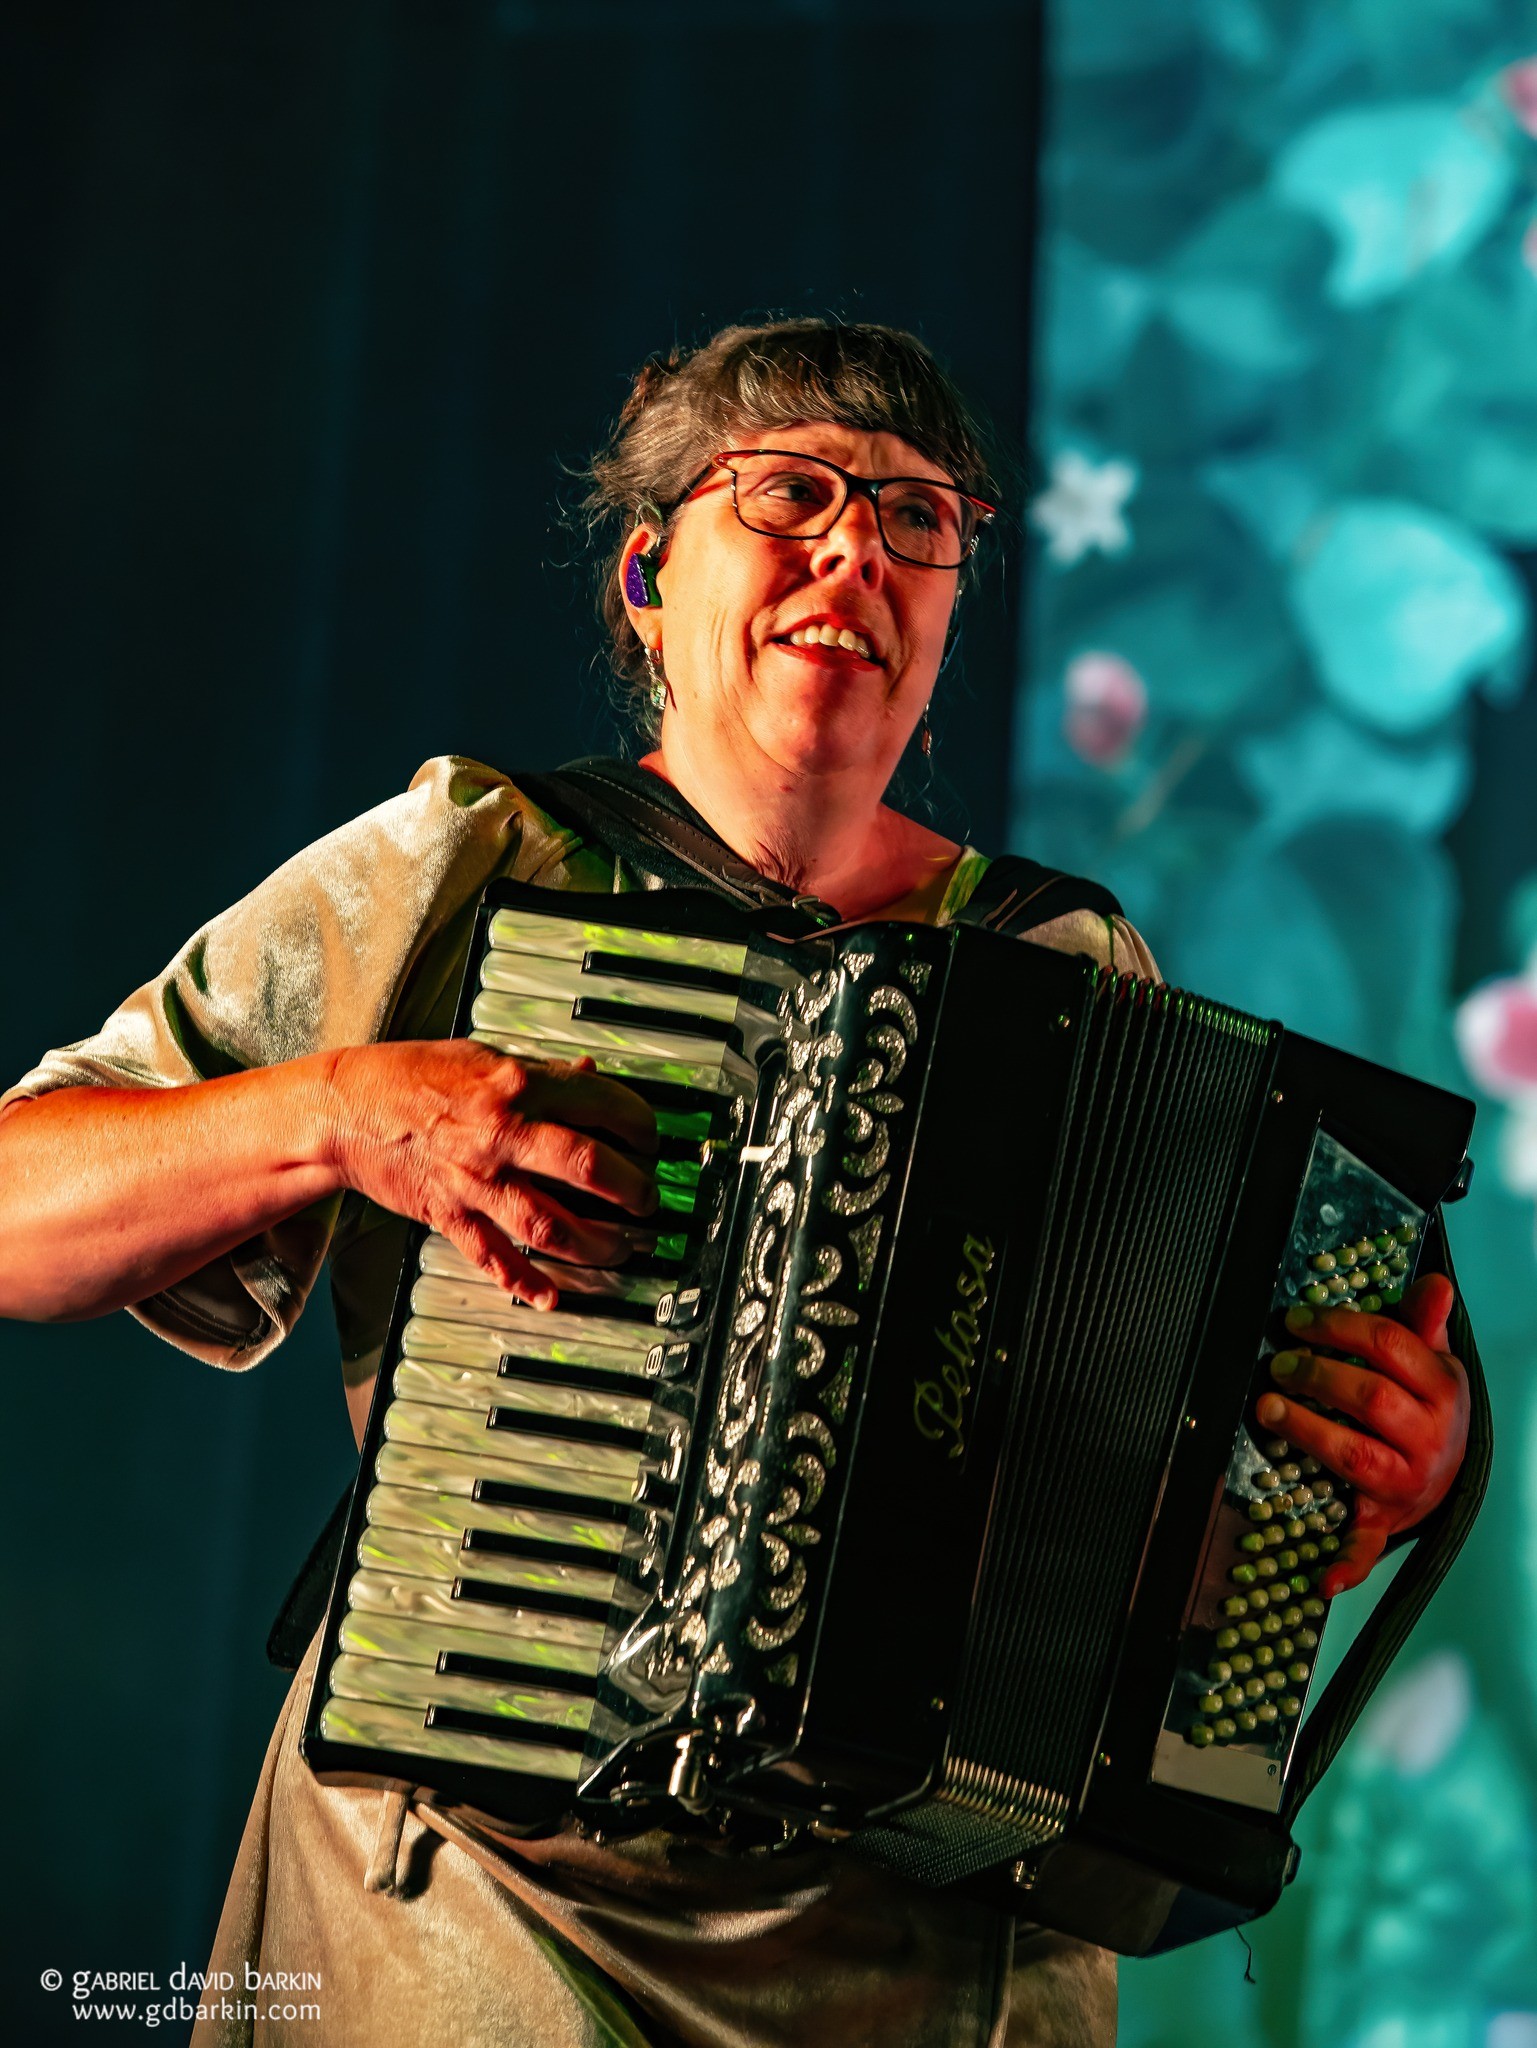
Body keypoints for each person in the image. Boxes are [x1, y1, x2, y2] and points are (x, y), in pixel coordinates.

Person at [0, 320, 1470, 2048]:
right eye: (788, 494)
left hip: (930, 1954)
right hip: (478, 1905)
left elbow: (1154, 1531)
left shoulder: (1074, 972)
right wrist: (337, 1113)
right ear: (647, 574)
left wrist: (1352, 1470)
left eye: (918, 519)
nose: (856, 550)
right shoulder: (475, 861)